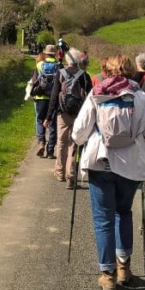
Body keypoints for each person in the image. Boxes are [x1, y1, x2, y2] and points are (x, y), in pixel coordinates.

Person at [72, 55, 145, 290]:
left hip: (101, 163)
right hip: (130, 166)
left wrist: (83, 141)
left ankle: (108, 275)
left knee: (103, 220)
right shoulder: (142, 99)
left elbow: (78, 132)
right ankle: (124, 268)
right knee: (124, 212)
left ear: (106, 71)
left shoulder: (97, 94)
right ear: (132, 72)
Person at [45, 47, 93, 189]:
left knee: (61, 142)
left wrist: (48, 116)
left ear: (66, 60)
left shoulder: (60, 73)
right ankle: (71, 175)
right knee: (74, 143)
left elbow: (54, 97)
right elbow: (90, 97)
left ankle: (59, 172)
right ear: (78, 60)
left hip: (62, 113)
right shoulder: (84, 75)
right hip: (79, 113)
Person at [30, 45, 59, 159]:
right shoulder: (59, 66)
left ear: (45, 54)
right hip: (53, 99)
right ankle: (51, 151)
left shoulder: (39, 65)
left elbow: (34, 81)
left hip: (41, 97)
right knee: (52, 123)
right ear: (55, 54)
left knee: (39, 120)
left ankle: (41, 142)